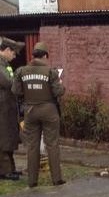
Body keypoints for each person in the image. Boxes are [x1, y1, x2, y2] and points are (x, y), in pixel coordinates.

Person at [12, 42, 65, 188]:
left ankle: (32, 181)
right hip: (49, 110)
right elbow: (58, 92)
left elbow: (15, 91)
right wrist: (61, 84)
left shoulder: (21, 71)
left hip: (30, 111)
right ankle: (57, 179)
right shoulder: (50, 72)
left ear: (33, 55)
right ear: (45, 55)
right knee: (52, 144)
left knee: (32, 146)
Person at [0, 37, 25, 181]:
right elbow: (8, 82)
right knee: (3, 139)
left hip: (7, 107)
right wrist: (19, 76)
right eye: (14, 53)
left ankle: (10, 168)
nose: (15, 56)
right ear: (7, 50)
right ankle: (5, 171)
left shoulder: (4, 65)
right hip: (2, 108)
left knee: (8, 138)